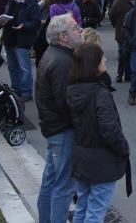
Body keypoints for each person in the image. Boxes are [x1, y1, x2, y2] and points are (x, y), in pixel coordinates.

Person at [66, 42, 130, 223]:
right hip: (102, 161)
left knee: (82, 206)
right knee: (96, 210)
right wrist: (123, 148)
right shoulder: (99, 93)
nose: (105, 59)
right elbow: (109, 129)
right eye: (101, 57)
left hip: (81, 157)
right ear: (93, 63)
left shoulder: (73, 89)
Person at [35, 13, 83, 223]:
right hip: (63, 130)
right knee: (64, 185)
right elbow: (66, 102)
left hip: (54, 128)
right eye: (75, 28)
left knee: (51, 181)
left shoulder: (53, 54)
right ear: (63, 36)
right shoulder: (62, 61)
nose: (80, 30)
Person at [2, 0, 41, 102]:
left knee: (24, 67)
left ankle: (26, 92)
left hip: (22, 40)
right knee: (12, 67)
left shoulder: (32, 3)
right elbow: (7, 13)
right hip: (9, 38)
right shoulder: (11, 0)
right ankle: (16, 89)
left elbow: (36, 22)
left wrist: (24, 25)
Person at [108, 0, 136, 83]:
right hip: (121, 32)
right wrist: (116, 25)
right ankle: (119, 73)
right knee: (123, 54)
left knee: (131, 54)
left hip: (134, 32)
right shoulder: (120, 0)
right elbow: (112, 15)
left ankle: (128, 75)